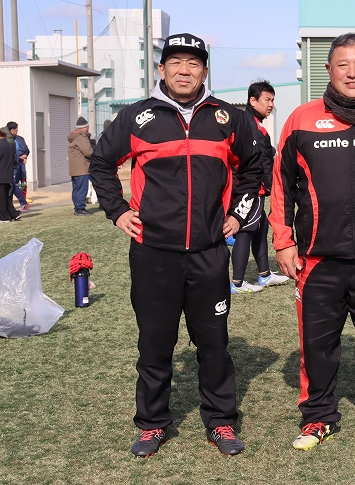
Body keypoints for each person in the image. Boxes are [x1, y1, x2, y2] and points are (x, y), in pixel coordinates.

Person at [89, 32, 261, 458]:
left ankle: (220, 421)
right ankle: (152, 424)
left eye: (193, 63)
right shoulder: (136, 116)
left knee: (214, 344)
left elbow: (255, 167)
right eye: (176, 63)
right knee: (154, 344)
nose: (184, 71)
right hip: (154, 254)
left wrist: (238, 214)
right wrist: (117, 210)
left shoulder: (228, 118)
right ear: (161, 69)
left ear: (204, 71)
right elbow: (101, 163)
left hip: (208, 253)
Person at [270, 33, 355, 452]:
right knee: (316, 347)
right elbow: (281, 184)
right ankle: (317, 417)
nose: (352, 73)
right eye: (343, 64)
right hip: (317, 260)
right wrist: (283, 241)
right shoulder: (301, 120)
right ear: (329, 70)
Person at [230, 80, 289, 294]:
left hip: (253, 188)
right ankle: (237, 283)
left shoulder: (255, 123)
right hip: (250, 188)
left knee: (261, 228)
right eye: (267, 99)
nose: (271, 104)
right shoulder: (250, 125)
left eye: (272, 100)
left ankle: (264, 274)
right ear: (253, 101)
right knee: (245, 232)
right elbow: (259, 161)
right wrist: (271, 187)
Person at [67, 117, 94, 216]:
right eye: (87, 126)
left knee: (76, 189)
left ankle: (77, 207)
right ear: (84, 128)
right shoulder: (82, 137)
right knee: (82, 189)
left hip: (74, 168)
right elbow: (88, 152)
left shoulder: (74, 137)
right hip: (82, 167)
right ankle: (80, 208)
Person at [7, 121, 30, 210]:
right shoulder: (9, 140)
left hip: (16, 165)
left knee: (14, 184)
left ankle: (23, 202)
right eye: (16, 129)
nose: (17, 131)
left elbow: (25, 150)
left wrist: (25, 156)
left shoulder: (19, 139)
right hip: (13, 165)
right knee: (13, 184)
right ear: (12, 130)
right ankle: (22, 202)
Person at [0, 127, 20, 222]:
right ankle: (13, 214)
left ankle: (4, 216)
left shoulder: (1, 145)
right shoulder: (8, 143)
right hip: (8, 174)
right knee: (7, 196)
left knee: (2, 197)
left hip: (2, 175)